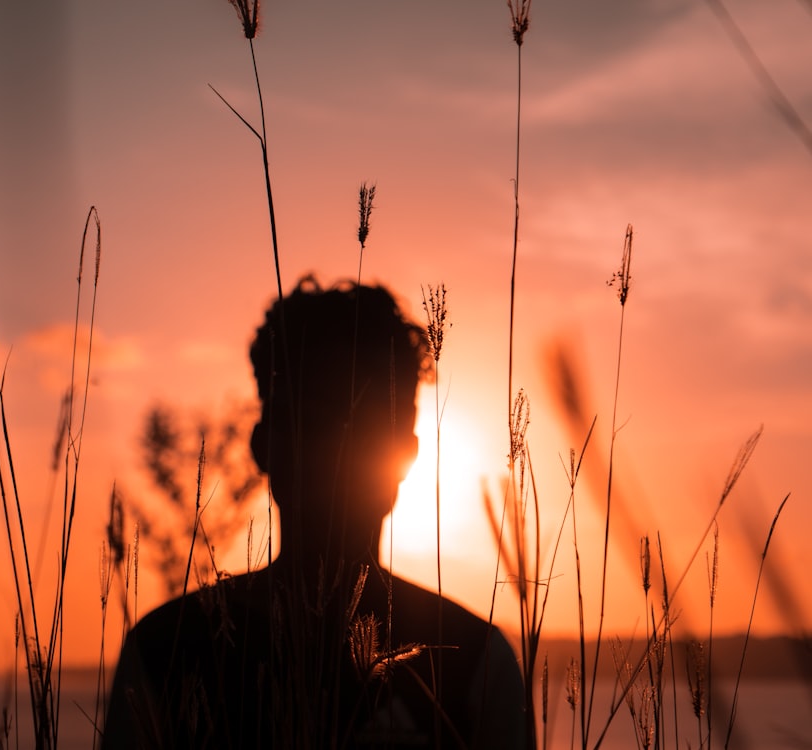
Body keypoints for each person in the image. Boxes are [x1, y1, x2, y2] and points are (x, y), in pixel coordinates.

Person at [103, 276, 526, 748]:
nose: (344, 454)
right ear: (266, 446)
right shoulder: (167, 651)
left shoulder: (471, 661)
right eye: (320, 423)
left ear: (408, 454)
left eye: (367, 427)